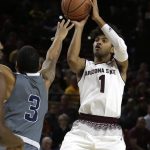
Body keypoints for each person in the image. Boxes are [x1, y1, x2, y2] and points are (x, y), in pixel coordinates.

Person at [60, 0, 128, 150]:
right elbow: (71, 59)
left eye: (104, 40)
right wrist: (79, 27)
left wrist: (97, 18)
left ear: (112, 49)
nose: (98, 42)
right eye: (96, 40)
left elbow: (121, 46)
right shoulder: (85, 66)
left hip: (111, 134)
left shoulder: (120, 68)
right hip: (82, 129)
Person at [0, 19, 74, 150]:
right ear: (39, 65)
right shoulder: (45, 82)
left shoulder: (12, 79)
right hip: (33, 145)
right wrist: (59, 38)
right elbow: (52, 58)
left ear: (16, 65)